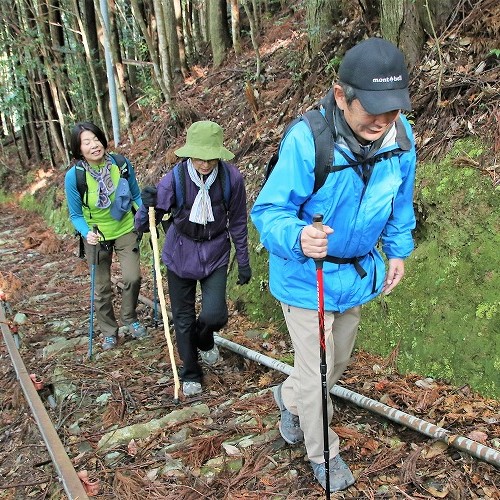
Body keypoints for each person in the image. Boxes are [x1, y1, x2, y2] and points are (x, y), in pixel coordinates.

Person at [251, 37, 416, 493]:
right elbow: (268, 212)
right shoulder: (309, 140)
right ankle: (323, 454)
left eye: (392, 113)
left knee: (333, 363)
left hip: (356, 276)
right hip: (308, 277)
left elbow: (400, 204)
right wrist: (300, 236)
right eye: (372, 113)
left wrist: (397, 250)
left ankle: (288, 397)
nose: (382, 124)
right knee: (319, 372)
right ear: (342, 97)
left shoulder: (401, 140)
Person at [135, 120, 251, 397]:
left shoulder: (231, 179)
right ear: (189, 154)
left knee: (215, 314)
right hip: (180, 252)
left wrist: (244, 260)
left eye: (211, 157)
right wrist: (145, 209)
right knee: (183, 317)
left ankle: (205, 337)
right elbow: (152, 213)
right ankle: (190, 372)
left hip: (215, 252)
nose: (205, 164)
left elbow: (237, 222)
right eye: (199, 157)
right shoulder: (174, 178)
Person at [65, 122, 147, 351]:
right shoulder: (75, 177)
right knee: (101, 288)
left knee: (133, 277)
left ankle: (130, 319)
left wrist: (144, 213)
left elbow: (136, 195)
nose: (94, 145)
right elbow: (75, 214)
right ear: (78, 149)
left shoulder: (120, 164)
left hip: (125, 228)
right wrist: (86, 232)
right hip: (96, 235)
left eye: (96, 139)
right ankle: (109, 332)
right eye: (86, 142)